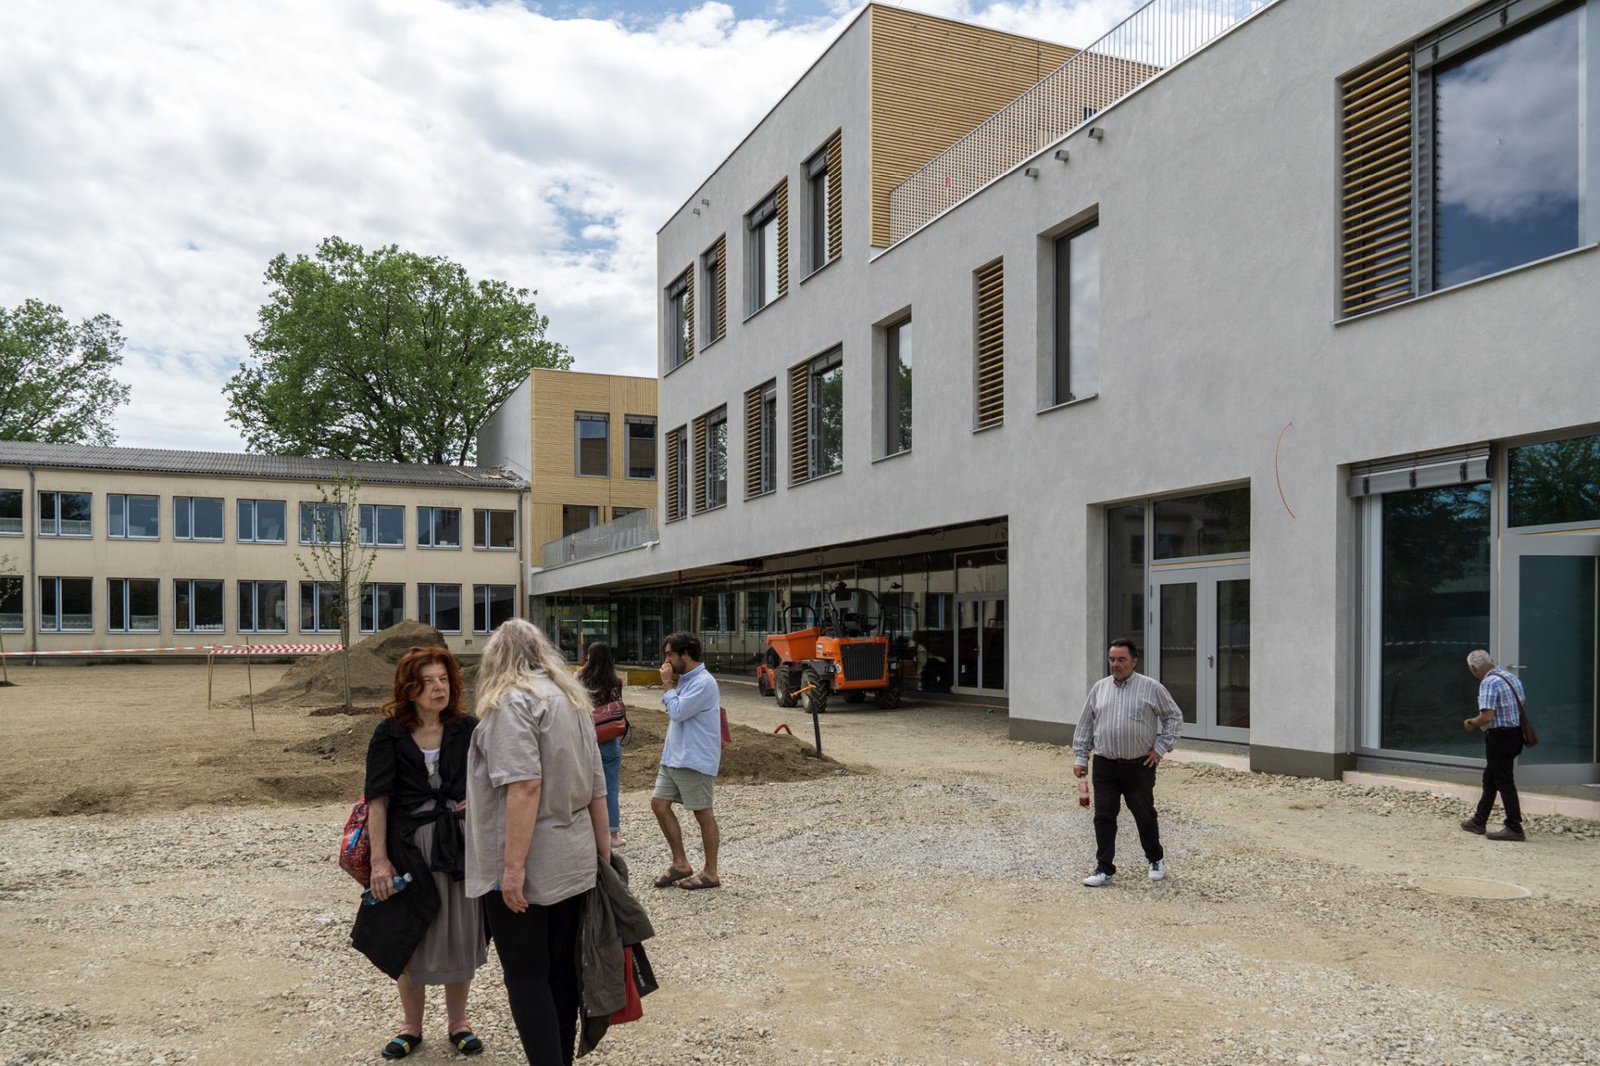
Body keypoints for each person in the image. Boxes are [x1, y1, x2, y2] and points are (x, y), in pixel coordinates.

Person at [465, 619, 610, 1066]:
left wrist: (512, 869)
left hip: (528, 861)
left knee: (527, 976)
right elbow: (598, 785)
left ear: (495, 658)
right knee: (562, 970)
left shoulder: (512, 702)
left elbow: (525, 786)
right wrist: (603, 855)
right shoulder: (572, 699)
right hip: (573, 855)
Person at [353, 646, 487, 1060]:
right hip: (408, 848)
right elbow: (377, 801)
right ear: (409, 688)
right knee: (410, 932)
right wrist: (379, 862)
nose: (438, 688)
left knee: (459, 932)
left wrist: (475, 802)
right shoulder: (389, 733)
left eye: (443, 679)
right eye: (428, 681)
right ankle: (411, 1025)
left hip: (458, 846)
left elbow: (493, 776)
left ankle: (458, 1022)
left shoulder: (468, 727)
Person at [1073, 638, 1183, 887]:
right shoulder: (1100, 688)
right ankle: (1104, 868)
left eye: (1121, 659)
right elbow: (1086, 723)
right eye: (1112, 659)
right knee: (1104, 815)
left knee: (1144, 814)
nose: (1116, 664)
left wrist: (1161, 748)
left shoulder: (1151, 688)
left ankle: (1155, 859)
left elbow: (1174, 717)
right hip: (1105, 764)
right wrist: (1081, 756)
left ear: (1134, 661)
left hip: (1139, 766)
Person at [650, 630, 723, 891]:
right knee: (659, 804)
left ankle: (711, 872)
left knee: (703, 813)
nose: (666, 661)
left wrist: (667, 685)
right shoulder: (687, 681)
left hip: (694, 758)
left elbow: (678, 712)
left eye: (670, 655)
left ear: (686, 654)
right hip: (674, 757)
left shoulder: (704, 682)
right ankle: (680, 863)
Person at [1461, 649, 1527, 842]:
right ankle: (1479, 821)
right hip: (1516, 734)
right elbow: (1523, 704)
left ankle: (1514, 827)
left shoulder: (1488, 683)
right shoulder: (1510, 677)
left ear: (1473, 669)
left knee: (1504, 781)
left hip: (1500, 737)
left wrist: (1471, 722)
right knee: (1490, 778)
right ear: (1492, 661)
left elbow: (1487, 716)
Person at [578, 640, 627, 849]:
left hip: (585, 739)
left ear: (589, 657)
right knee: (611, 787)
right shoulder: (615, 682)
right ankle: (613, 835)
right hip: (608, 739)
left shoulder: (579, 680)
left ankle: (588, 832)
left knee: (585, 787)